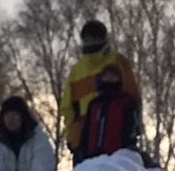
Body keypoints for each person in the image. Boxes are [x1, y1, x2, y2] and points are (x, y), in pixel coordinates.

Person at [59, 19, 140, 158]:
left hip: (116, 138)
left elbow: (132, 99)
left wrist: (133, 133)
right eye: (88, 39)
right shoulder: (76, 70)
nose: (91, 42)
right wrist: (71, 138)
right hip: (83, 141)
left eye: (94, 38)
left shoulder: (118, 62)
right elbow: (68, 109)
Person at [72, 60, 142, 164]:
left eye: (113, 76)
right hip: (92, 157)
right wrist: (81, 149)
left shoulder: (126, 102)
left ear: (119, 78)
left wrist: (128, 147)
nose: (109, 78)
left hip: (116, 158)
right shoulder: (95, 104)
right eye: (106, 75)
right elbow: (86, 129)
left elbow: (132, 128)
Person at [0, 95, 57, 171]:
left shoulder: (39, 140)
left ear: (23, 117)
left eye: (14, 114)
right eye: (6, 114)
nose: (10, 119)